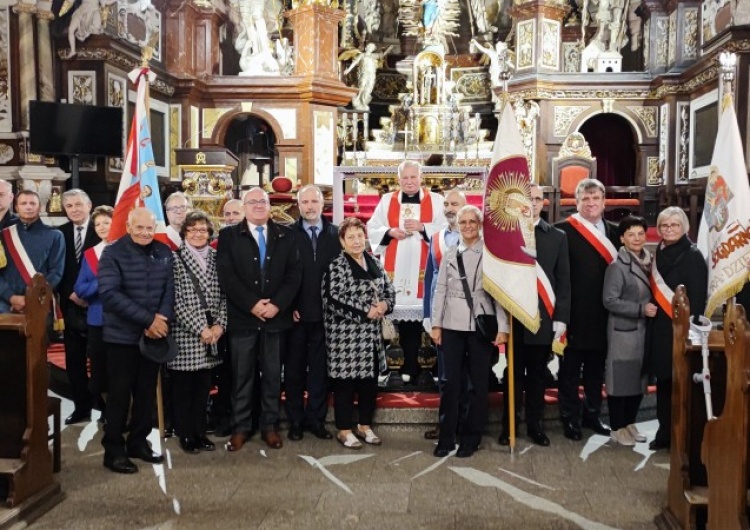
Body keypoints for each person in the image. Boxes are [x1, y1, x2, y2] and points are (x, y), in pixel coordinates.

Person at [217, 187, 301, 452]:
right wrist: (252, 304)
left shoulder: (286, 235)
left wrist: (277, 304)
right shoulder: (228, 235)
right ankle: (241, 428)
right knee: (242, 376)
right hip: (243, 318)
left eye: (263, 202)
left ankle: (270, 427)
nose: (258, 206)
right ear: (244, 206)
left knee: (273, 377)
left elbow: (294, 274)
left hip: (276, 319)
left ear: (269, 205)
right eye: (252, 202)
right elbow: (226, 275)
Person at [98, 207, 174, 474]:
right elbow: (109, 293)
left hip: (154, 335)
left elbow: (169, 290)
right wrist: (147, 321)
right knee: (119, 396)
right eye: (139, 228)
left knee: (145, 394)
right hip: (122, 337)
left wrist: (161, 319)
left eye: (149, 228)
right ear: (128, 227)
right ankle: (114, 450)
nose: (144, 233)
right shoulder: (112, 252)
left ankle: (138, 443)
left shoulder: (163, 252)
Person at [431, 205, 509, 458]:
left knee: (477, 384)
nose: (467, 226)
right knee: (450, 383)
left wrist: (503, 328)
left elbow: (499, 295)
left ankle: (471, 437)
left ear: (480, 224)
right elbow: (439, 289)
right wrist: (436, 324)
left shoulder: (491, 255)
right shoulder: (451, 253)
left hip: (480, 326)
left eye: (471, 221)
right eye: (462, 222)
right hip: (452, 326)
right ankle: (446, 436)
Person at [499, 184, 570, 447]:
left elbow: (564, 281)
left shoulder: (557, 236)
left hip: (543, 317)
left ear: (544, 203)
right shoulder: (508, 235)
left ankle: (535, 426)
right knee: (513, 375)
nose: (533, 203)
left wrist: (561, 318)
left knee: (538, 376)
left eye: (538, 199)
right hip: (515, 316)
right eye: (528, 198)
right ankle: (509, 427)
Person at [367, 160, 447, 384]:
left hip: (425, 271)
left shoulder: (437, 201)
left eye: (413, 177)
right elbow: (372, 228)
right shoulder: (387, 200)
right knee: (391, 319)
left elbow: (446, 231)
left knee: (418, 320)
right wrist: (389, 231)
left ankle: (419, 367)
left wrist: (423, 228)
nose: (409, 182)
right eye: (405, 178)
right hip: (394, 268)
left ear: (421, 177)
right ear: (398, 179)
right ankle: (390, 368)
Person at [555, 179, 619, 441]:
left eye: (596, 199)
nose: (591, 204)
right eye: (585, 199)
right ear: (576, 202)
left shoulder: (617, 233)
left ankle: (592, 414)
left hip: (605, 314)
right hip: (573, 314)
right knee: (569, 371)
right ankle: (569, 417)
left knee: (596, 370)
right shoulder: (562, 231)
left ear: (604, 202)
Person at [322, 217, 395, 449]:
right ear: (342, 241)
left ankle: (364, 426)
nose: (356, 241)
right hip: (345, 337)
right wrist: (367, 310)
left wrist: (385, 305)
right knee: (344, 384)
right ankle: (344, 430)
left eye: (360, 236)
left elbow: (389, 289)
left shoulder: (374, 262)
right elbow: (333, 297)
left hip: (371, 337)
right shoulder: (336, 265)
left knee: (368, 383)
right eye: (350, 237)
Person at [644, 207, 707, 450]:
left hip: (681, 328)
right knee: (663, 381)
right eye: (664, 226)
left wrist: (692, 327)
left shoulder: (692, 255)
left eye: (674, 225)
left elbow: (698, 296)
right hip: (660, 327)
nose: (669, 229)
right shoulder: (659, 251)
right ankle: (664, 432)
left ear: (684, 228)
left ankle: (682, 433)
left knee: (680, 382)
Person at [285, 185, 341, 442]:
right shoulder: (286, 235)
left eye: (314, 201)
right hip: (295, 315)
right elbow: (280, 275)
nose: (309, 206)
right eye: (304, 202)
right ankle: (295, 421)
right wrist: (289, 305)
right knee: (295, 371)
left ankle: (316, 420)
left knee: (320, 371)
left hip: (327, 317)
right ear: (298, 204)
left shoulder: (335, 234)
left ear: (323, 204)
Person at [168, 211, 226, 454]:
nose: (198, 234)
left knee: (203, 389)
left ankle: (200, 432)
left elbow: (225, 295)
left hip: (213, 335)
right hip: (187, 334)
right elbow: (175, 300)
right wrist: (200, 327)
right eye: (192, 230)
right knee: (184, 390)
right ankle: (185, 434)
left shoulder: (217, 257)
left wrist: (220, 325)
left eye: (203, 230)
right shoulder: (174, 259)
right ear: (184, 234)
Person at [602, 216, 656, 446]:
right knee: (620, 381)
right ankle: (617, 427)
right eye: (630, 234)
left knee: (638, 380)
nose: (636, 239)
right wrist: (639, 309)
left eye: (640, 234)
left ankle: (630, 423)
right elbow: (609, 300)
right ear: (622, 238)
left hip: (644, 332)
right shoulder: (617, 266)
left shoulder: (652, 262)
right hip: (623, 332)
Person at [422, 189, 466, 440]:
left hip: (470, 318)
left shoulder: (478, 236)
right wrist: (428, 314)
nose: (450, 208)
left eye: (455, 203)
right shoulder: (437, 238)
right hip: (442, 317)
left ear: (466, 205)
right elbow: (430, 277)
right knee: (446, 376)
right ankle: (446, 423)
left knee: (468, 376)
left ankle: (466, 423)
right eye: (447, 204)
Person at [58, 189, 101, 425]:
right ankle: (81, 407)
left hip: (97, 304)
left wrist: (87, 294)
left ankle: (102, 404)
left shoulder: (102, 231)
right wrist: (71, 295)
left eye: (78, 204)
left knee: (99, 360)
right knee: (74, 360)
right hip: (70, 306)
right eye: (69, 206)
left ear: (89, 205)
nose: (74, 209)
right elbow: (55, 269)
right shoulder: (59, 234)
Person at [73, 205, 114, 420]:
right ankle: (107, 411)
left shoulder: (124, 249)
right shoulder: (90, 254)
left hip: (123, 321)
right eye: (97, 224)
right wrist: (101, 283)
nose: (101, 227)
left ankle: (121, 412)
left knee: (120, 371)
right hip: (98, 321)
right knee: (99, 370)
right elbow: (80, 289)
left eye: (106, 222)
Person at [0, 190, 64, 314]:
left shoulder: (55, 235)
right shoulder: (3, 235)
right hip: (5, 302)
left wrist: (34, 297)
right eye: (24, 203)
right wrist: (10, 296)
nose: (28, 207)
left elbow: (56, 272)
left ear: (39, 207)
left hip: (39, 301)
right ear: (17, 207)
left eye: (32, 203)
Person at [344, 43, 393, 111]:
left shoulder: (373, 56)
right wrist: (348, 69)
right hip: (364, 74)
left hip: (371, 75)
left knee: (368, 88)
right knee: (362, 86)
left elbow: (382, 55)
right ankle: (357, 99)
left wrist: (389, 49)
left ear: (372, 50)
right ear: (366, 48)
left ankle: (363, 102)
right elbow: (355, 62)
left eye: (372, 48)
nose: (370, 48)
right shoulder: (362, 55)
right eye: (369, 47)